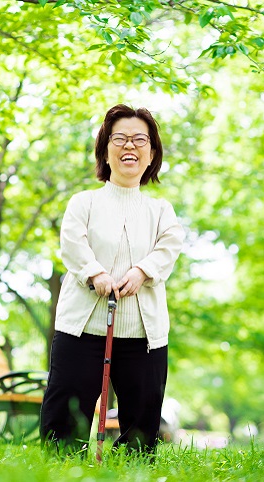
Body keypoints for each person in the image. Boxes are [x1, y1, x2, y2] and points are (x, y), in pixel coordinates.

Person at [40, 104, 185, 457]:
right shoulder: (83, 202)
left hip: (143, 334)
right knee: (65, 422)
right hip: (82, 329)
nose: (129, 146)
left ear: (152, 153)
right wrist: (96, 274)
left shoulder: (160, 210)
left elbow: (170, 244)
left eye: (139, 139)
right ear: (106, 149)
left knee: (141, 429)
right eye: (119, 139)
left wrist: (141, 271)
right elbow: (72, 244)